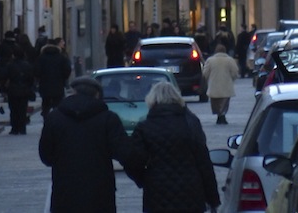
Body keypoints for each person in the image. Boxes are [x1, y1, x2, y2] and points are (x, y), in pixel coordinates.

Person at [39, 75, 135, 213]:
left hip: (65, 189)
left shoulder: (55, 118)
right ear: (97, 95)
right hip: (100, 191)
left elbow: (46, 156)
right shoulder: (108, 118)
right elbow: (124, 152)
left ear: (73, 92)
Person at [128, 80, 220, 213]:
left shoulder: (144, 127)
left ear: (151, 100)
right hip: (191, 190)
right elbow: (204, 163)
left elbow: (133, 162)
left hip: (157, 192)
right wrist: (213, 199)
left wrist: (145, 179)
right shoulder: (191, 123)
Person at [34, 39, 72, 118]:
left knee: (45, 105)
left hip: (44, 85)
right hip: (58, 85)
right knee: (58, 105)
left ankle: (46, 121)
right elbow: (67, 70)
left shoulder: (41, 58)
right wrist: (63, 79)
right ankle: (57, 122)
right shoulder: (61, 57)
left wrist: (39, 78)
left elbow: (37, 71)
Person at [202, 43, 239, 124]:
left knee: (215, 102)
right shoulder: (230, 60)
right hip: (226, 86)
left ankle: (218, 115)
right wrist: (231, 79)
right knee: (224, 102)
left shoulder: (210, 60)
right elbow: (235, 72)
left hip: (213, 86)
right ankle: (222, 114)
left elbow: (205, 73)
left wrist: (209, 79)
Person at [3, 45, 34, 135]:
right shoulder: (27, 65)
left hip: (13, 89)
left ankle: (15, 128)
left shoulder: (10, 65)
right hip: (24, 89)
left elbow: (5, 76)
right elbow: (31, 79)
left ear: (14, 55)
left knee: (13, 109)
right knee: (22, 109)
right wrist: (28, 86)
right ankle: (22, 128)